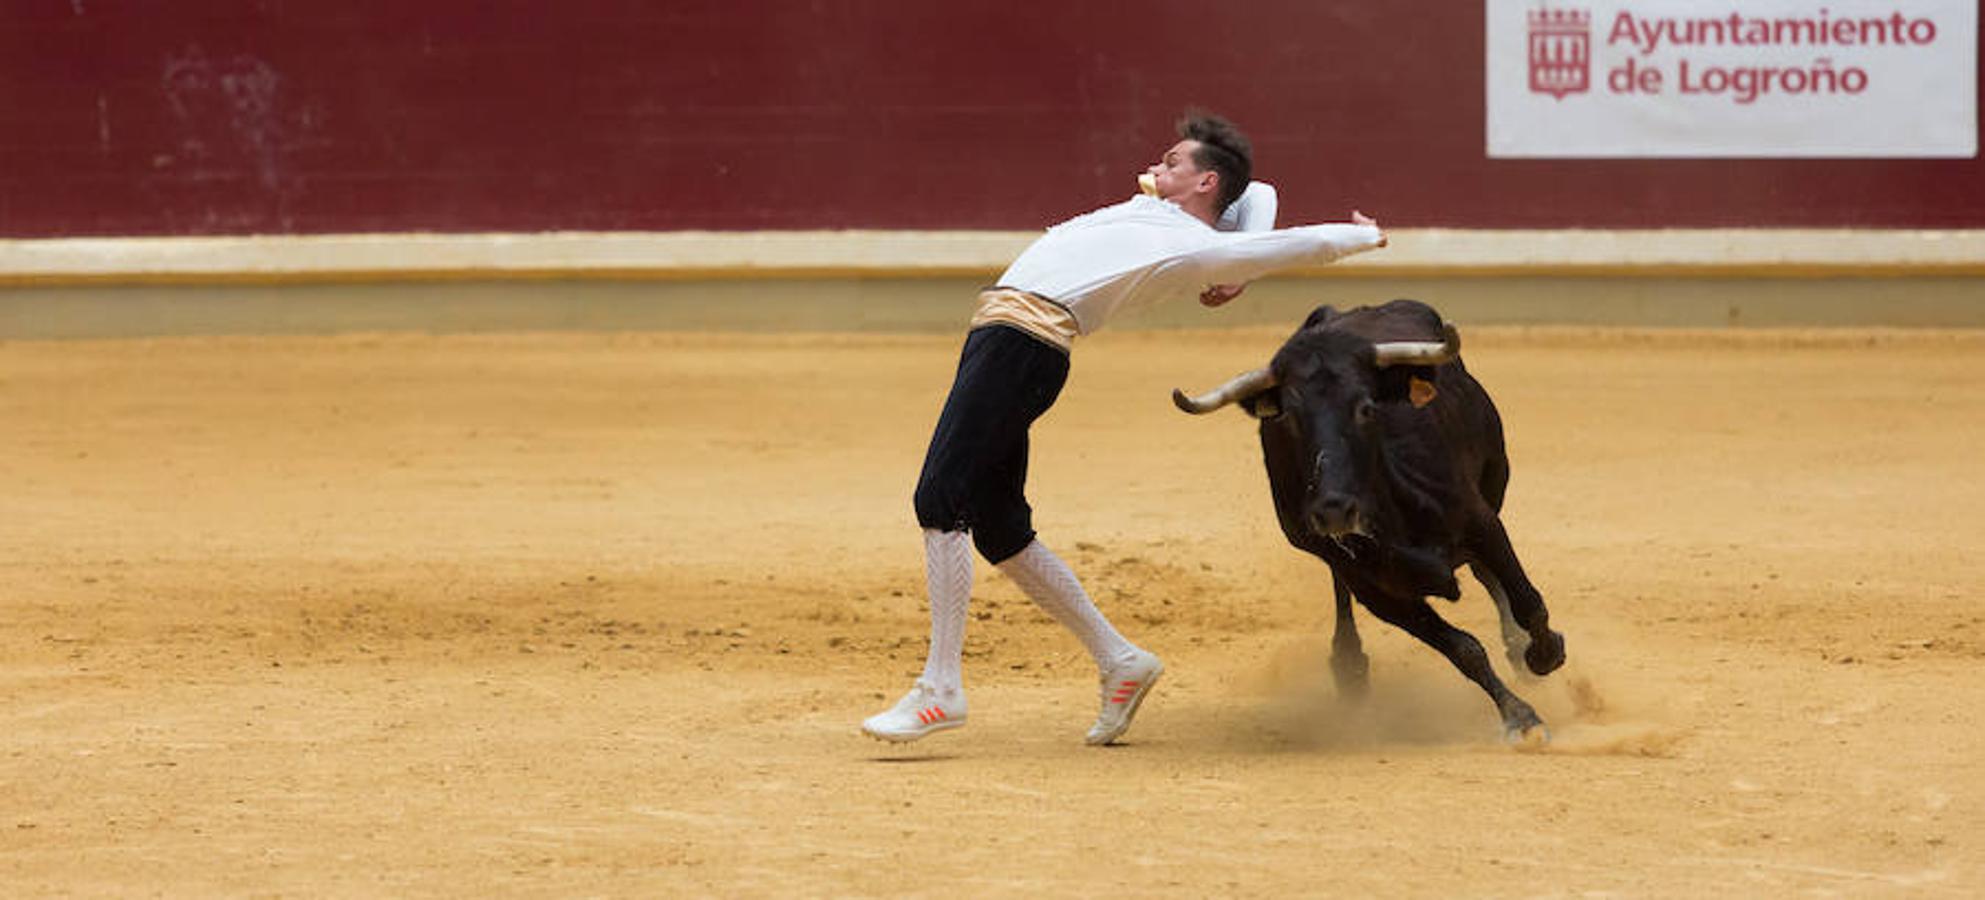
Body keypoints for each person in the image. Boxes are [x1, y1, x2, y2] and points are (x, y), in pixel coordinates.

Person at [862, 111, 1388, 746]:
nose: (1156, 169)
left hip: (1023, 342)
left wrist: (1350, 239)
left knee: (939, 498)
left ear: (1205, 183)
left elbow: (1290, 238)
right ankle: (1120, 661)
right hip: (1002, 340)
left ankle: (941, 688)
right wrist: (1234, 265)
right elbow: (1261, 191)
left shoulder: (1190, 246)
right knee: (999, 526)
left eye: (1172, 163)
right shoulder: (1171, 216)